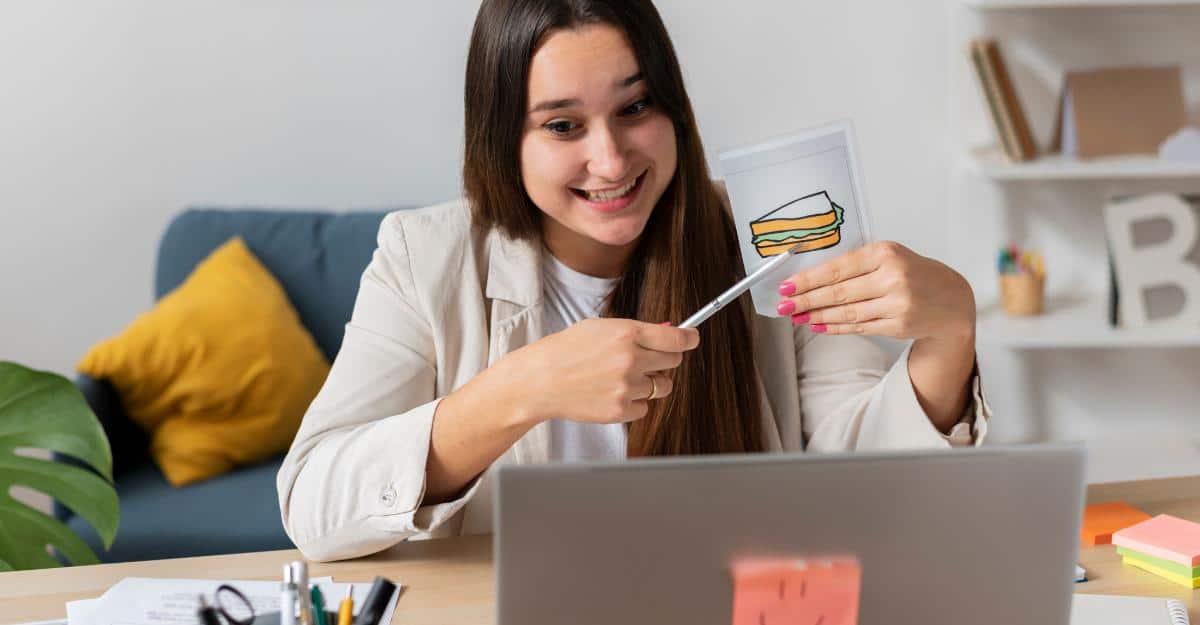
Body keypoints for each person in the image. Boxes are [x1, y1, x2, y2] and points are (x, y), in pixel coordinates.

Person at [276, 0, 990, 562]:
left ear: (673, 108)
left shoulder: (771, 235)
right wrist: (521, 388)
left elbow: (869, 485)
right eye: (562, 126)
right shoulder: (422, 256)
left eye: (635, 108)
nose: (611, 160)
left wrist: (949, 333)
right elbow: (312, 502)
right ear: (504, 140)